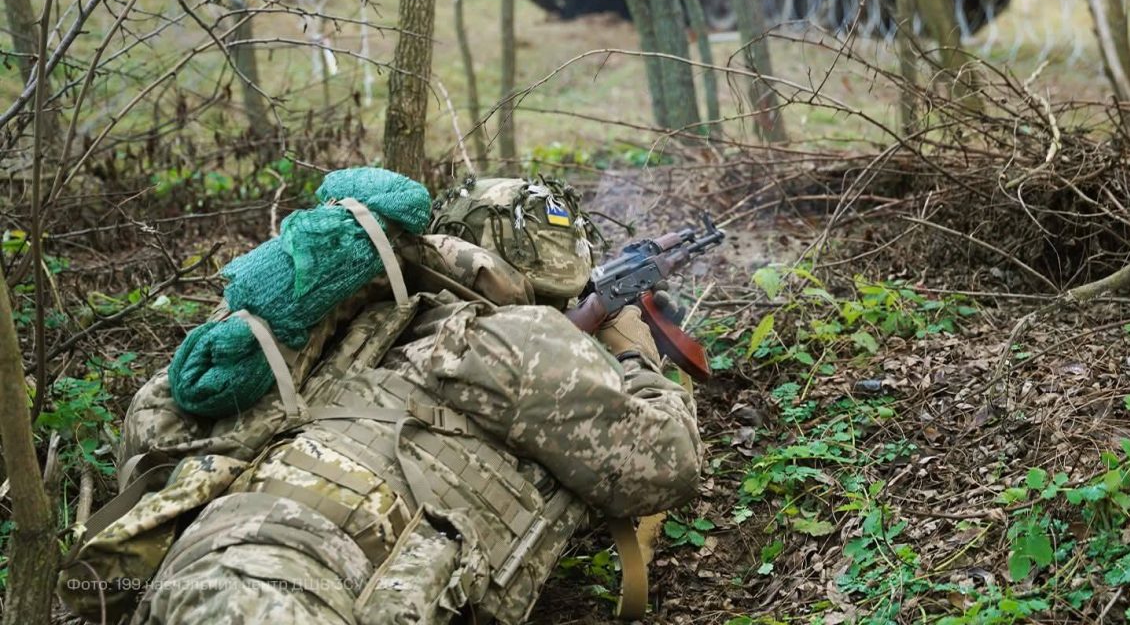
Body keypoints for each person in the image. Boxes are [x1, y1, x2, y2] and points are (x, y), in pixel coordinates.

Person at [66, 175, 702, 624]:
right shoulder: (521, 340)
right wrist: (633, 360)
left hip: (198, 556)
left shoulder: (362, 320)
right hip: (294, 579)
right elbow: (665, 466)